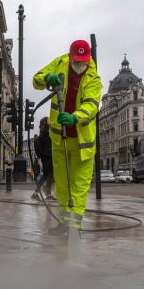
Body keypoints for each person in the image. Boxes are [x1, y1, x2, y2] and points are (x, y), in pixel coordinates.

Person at [33, 39, 102, 234]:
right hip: (59, 139)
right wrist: (48, 78)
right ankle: (64, 223)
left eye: (83, 61)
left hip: (82, 143)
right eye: (76, 60)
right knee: (62, 186)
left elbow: (91, 105)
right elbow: (36, 79)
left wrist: (74, 117)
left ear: (88, 58)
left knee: (79, 187)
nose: (80, 65)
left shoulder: (93, 78)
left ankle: (74, 227)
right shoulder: (60, 63)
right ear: (70, 56)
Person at [32, 117, 55, 201]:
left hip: (47, 157)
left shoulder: (43, 132)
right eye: (48, 121)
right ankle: (36, 193)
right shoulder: (46, 132)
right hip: (47, 157)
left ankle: (48, 194)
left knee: (50, 175)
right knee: (46, 175)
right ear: (45, 123)